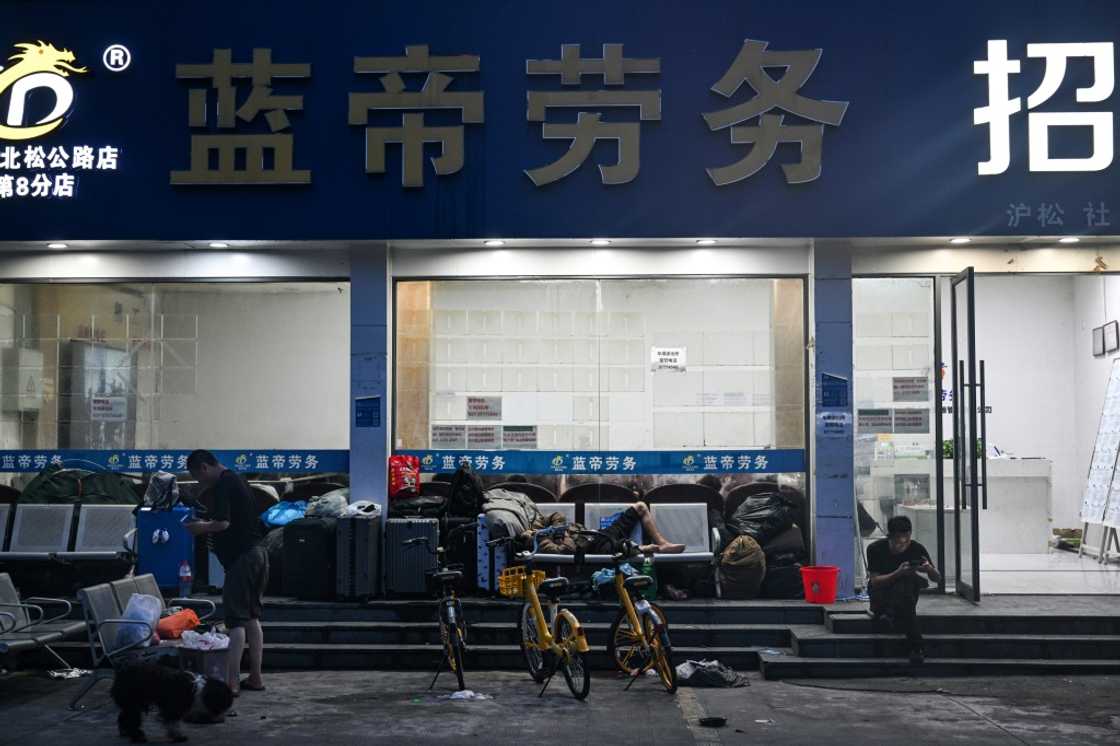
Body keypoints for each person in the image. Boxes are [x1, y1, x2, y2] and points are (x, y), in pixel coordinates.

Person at [183, 450, 268, 695]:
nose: (200, 483)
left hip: (242, 558)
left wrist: (200, 528)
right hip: (258, 554)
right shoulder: (237, 478)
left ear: (203, 468)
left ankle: (230, 683)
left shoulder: (222, 484)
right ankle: (255, 677)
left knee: (235, 620)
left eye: (197, 477)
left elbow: (223, 523)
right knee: (252, 617)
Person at [866, 515, 941, 664]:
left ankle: (891, 614)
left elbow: (938, 578)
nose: (902, 543)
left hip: (904, 596)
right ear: (890, 537)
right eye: (898, 539)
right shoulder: (875, 549)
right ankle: (917, 647)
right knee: (904, 590)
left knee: (908, 582)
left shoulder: (916, 548)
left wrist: (929, 569)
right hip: (881, 595)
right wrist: (897, 573)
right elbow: (874, 582)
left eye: (906, 538)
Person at [528, 501, 686, 556]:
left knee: (640, 507)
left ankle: (662, 543)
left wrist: (557, 529)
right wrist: (562, 536)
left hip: (597, 534)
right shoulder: (539, 541)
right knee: (619, 548)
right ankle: (644, 549)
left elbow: (558, 516)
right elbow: (564, 551)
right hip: (592, 548)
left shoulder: (543, 522)